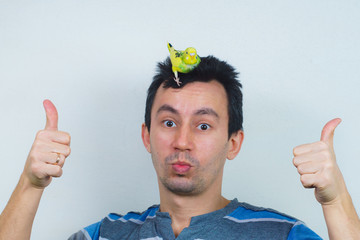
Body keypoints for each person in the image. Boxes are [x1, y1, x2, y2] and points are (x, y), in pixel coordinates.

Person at [0, 56, 359, 240]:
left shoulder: (280, 233)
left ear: (233, 142)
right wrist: (30, 185)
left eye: (203, 125)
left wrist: (335, 199)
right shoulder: (107, 234)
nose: (182, 141)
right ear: (147, 136)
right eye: (169, 122)